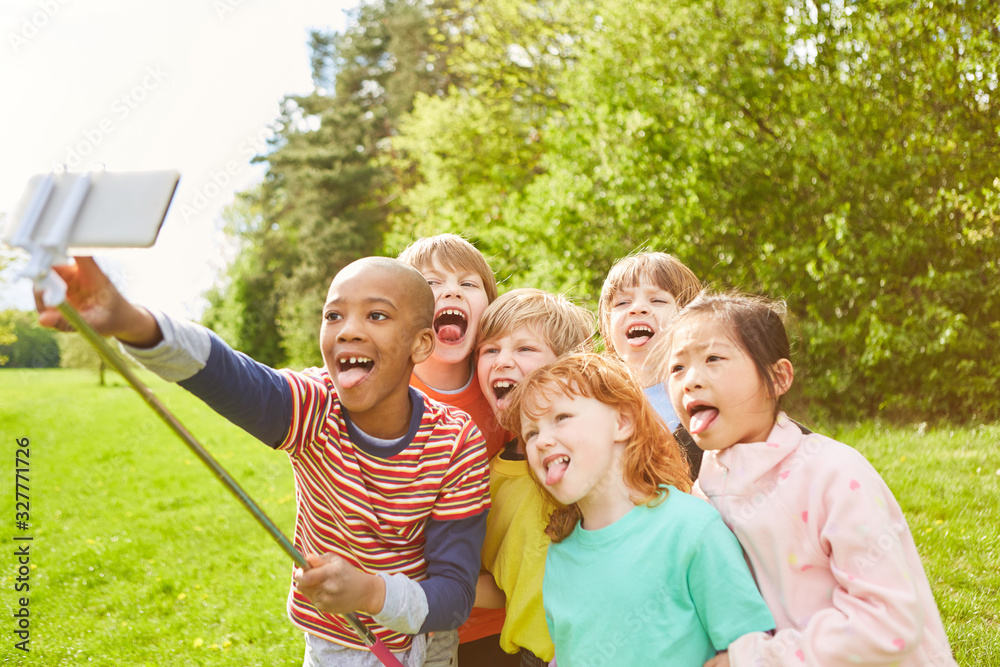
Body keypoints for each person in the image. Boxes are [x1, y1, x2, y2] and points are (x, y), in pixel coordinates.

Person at [37, 256, 492, 667]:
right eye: (334, 315)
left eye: (376, 315)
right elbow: (225, 372)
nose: (348, 329)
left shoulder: (455, 442)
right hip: (337, 646)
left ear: (421, 345)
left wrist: (370, 591)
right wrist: (128, 320)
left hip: (426, 643)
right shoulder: (315, 407)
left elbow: (454, 595)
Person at [662, 292, 959, 667]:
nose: (690, 381)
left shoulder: (832, 473)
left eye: (713, 359)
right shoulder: (702, 491)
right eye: (676, 368)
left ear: (778, 377)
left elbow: (888, 622)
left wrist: (761, 658)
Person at [501, 353, 775, 667]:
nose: (542, 441)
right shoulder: (559, 553)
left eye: (561, 417)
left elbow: (749, 645)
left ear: (622, 422)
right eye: (531, 433)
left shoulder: (690, 528)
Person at [397, 234, 510, 664]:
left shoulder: (504, 386)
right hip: (408, 622)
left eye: (468, 284)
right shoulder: (389, 396)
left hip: (497, 625)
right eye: (430, 283)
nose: (450, 291)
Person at [473, 288, 595, 667]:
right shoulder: (484, 477)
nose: (502, 361)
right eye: (490, 350)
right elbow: (503, 586)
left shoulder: (595, 452)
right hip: (535, 656)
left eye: (524, 349)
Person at [598, 251, 704, 475]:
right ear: (607, 328)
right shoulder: (599, 404)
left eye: (657, 300)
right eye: (622, 302)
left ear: (690, 319)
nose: (637, 308)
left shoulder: (705, 397)